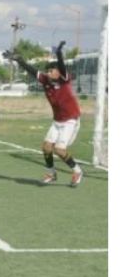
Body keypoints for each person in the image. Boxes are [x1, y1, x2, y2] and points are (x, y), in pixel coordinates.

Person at [6, 41, 84, 187]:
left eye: (51, 71)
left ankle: (78, 171)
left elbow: (62, 66)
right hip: (57, 121)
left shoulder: (64, 80)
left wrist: (59, 53)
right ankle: (51, 173)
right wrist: (19, 59)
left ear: (58, 72)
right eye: (47, 71)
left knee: (60, 150)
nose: (48, 73)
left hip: (70, 120)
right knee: (46, 147)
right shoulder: (45, 80)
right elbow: (31, 70)